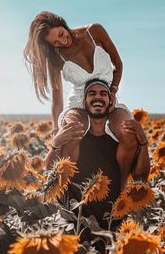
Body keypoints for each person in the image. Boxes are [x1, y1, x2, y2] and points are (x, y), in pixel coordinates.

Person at [25, 11, 139, 186]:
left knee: (128, 133)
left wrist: (113, 91)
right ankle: (67, 188)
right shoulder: (56, 57)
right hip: (79, 100)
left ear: (63, 24)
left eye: (61, 34)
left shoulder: (94, 31)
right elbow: (57, 101)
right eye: (55, 42)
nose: (62, 41)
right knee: (72, 132)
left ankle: (122, 185)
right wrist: (57, 131)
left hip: (106, 96)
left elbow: (118, 63)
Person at [45, 80, 150, 226]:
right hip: (73, 222)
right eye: (92, 93)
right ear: (84, 101)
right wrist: (55, 144)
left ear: (110, 101)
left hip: (113, 221)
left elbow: (141, 178)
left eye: (103, 94)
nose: (98, 97)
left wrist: (144, 144)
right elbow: (50, 175)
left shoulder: (120, 144)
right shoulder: (73, 139)